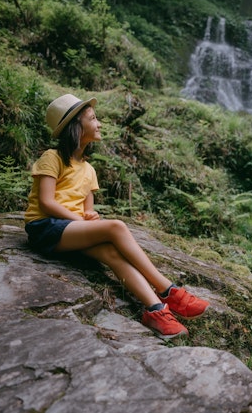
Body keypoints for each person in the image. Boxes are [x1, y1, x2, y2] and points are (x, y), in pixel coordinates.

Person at [24, 93, 209, 339]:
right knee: (116, 227)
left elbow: (86, 210)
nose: (99, 123)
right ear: (76, 127)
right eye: (93, 118)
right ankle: (169, 290)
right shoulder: (53, 157)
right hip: (44, 227)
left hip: (70, 231)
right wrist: (82, 221)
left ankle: (155, 310)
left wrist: (89, 217)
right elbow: (46, 202)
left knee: (112, 253)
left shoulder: (89, 170)